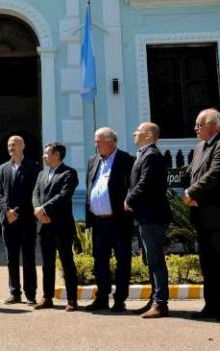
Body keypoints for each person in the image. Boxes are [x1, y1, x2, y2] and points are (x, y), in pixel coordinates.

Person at [182, 109, 220, 321]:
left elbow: (216, 174)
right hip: (202, 215)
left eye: (200, 125)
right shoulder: (200, 146)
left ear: (214, 126)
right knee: (209, 265)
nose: (195, 128)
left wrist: (192, 192)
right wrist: (187, 187)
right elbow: (193, 173)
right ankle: (213, 306)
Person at [84, 127, 134, 312]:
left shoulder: (126, 159)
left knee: (122, 261)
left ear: (111, 141)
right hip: (99, 222)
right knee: (100, 262)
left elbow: (132, 186)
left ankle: (120, 299)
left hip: (119, 221)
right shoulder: (93, 160)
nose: (95, 144)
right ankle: (102, 298)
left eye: (99, 141)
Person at [124, 122, 171, 318]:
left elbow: (145, 183)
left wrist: (129, 199)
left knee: (156, 260)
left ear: (149, 136)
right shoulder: (145, 154)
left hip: (153, 216)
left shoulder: (151, 155)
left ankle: (160, 303)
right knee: (150, 261)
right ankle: (154, 299)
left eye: (139, 131)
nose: (135, 133)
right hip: (146, 216)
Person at [33, 142, 79, 312]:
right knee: (47, 263)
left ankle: (72, 300)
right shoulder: (42, 175)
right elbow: (35, 194)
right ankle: (47, 298)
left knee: (67, 262)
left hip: (61, 226)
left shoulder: (69, 173)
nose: (44, 156)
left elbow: (64, 195)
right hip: (43, 226)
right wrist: (38, 210)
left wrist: (44, 209)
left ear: (57, 154)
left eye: (47, 153)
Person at [0, 135, 40, 305]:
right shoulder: (2, 168)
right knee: (11, 258)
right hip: (8, 220)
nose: (11, 148)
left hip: (26, 219)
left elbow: (34, 192)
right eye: (9, 145)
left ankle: (30, 294)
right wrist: (7, 210)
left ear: (23, 146)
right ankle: (14, 292)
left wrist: (17, 210)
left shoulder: (33, 166)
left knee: (28, 258)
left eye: (14, 145)